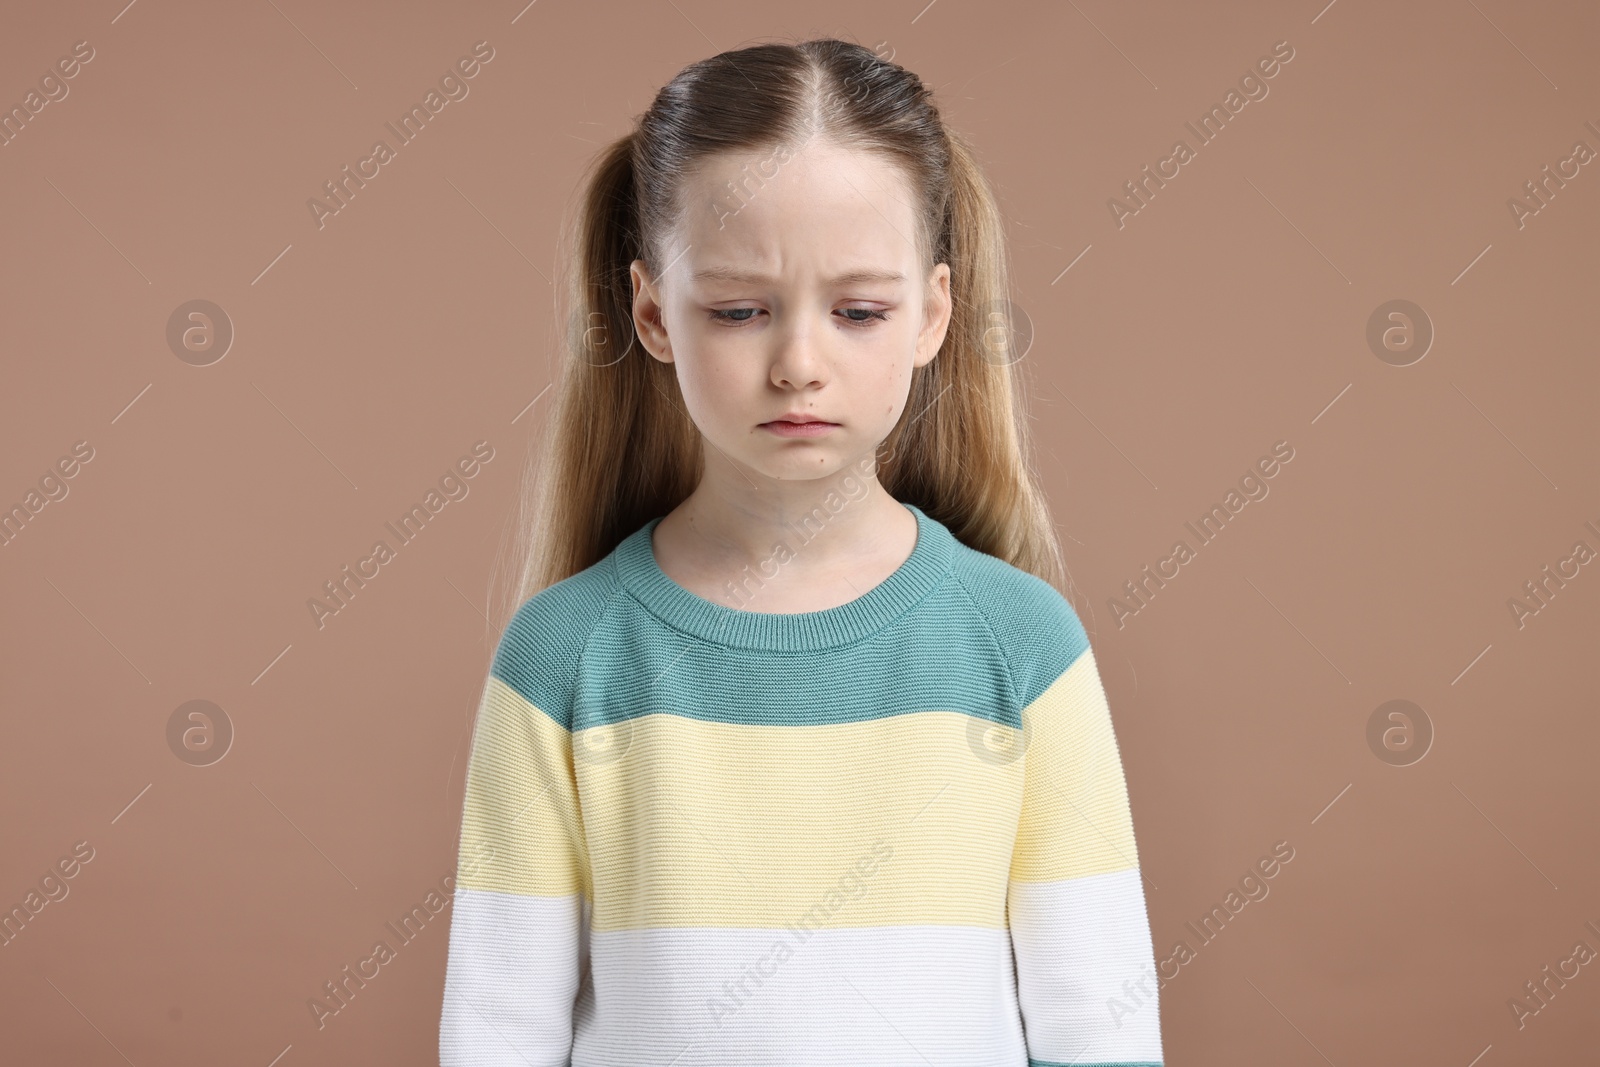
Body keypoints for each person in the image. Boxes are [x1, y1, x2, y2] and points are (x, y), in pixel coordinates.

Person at [439, 37, 1164, 1067]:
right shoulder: (564, 655)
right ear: (652, 314)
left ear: (933, 314)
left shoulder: (1021, 643)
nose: (798, 364)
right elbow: (497, 1027)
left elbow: (1099, 1018)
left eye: (859, 310)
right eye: (737, 311)